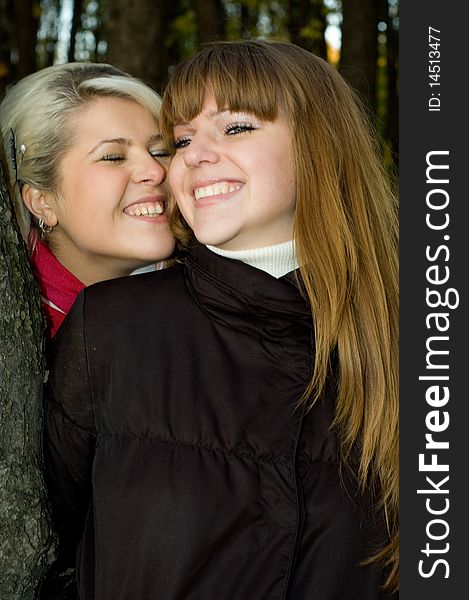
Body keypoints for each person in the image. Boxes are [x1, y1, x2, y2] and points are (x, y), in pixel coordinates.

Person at [43, 40, 398, 598]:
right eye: (181, 140)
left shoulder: (408, 334)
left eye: (235, 129)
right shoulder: (111, 330)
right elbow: (56, 545)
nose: (192, 156)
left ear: (319, 144)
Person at [0, 62, 175, 338]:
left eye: (161, 151)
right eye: (113, 157)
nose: (155, 171)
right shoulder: (25, 336)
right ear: (42, 201)